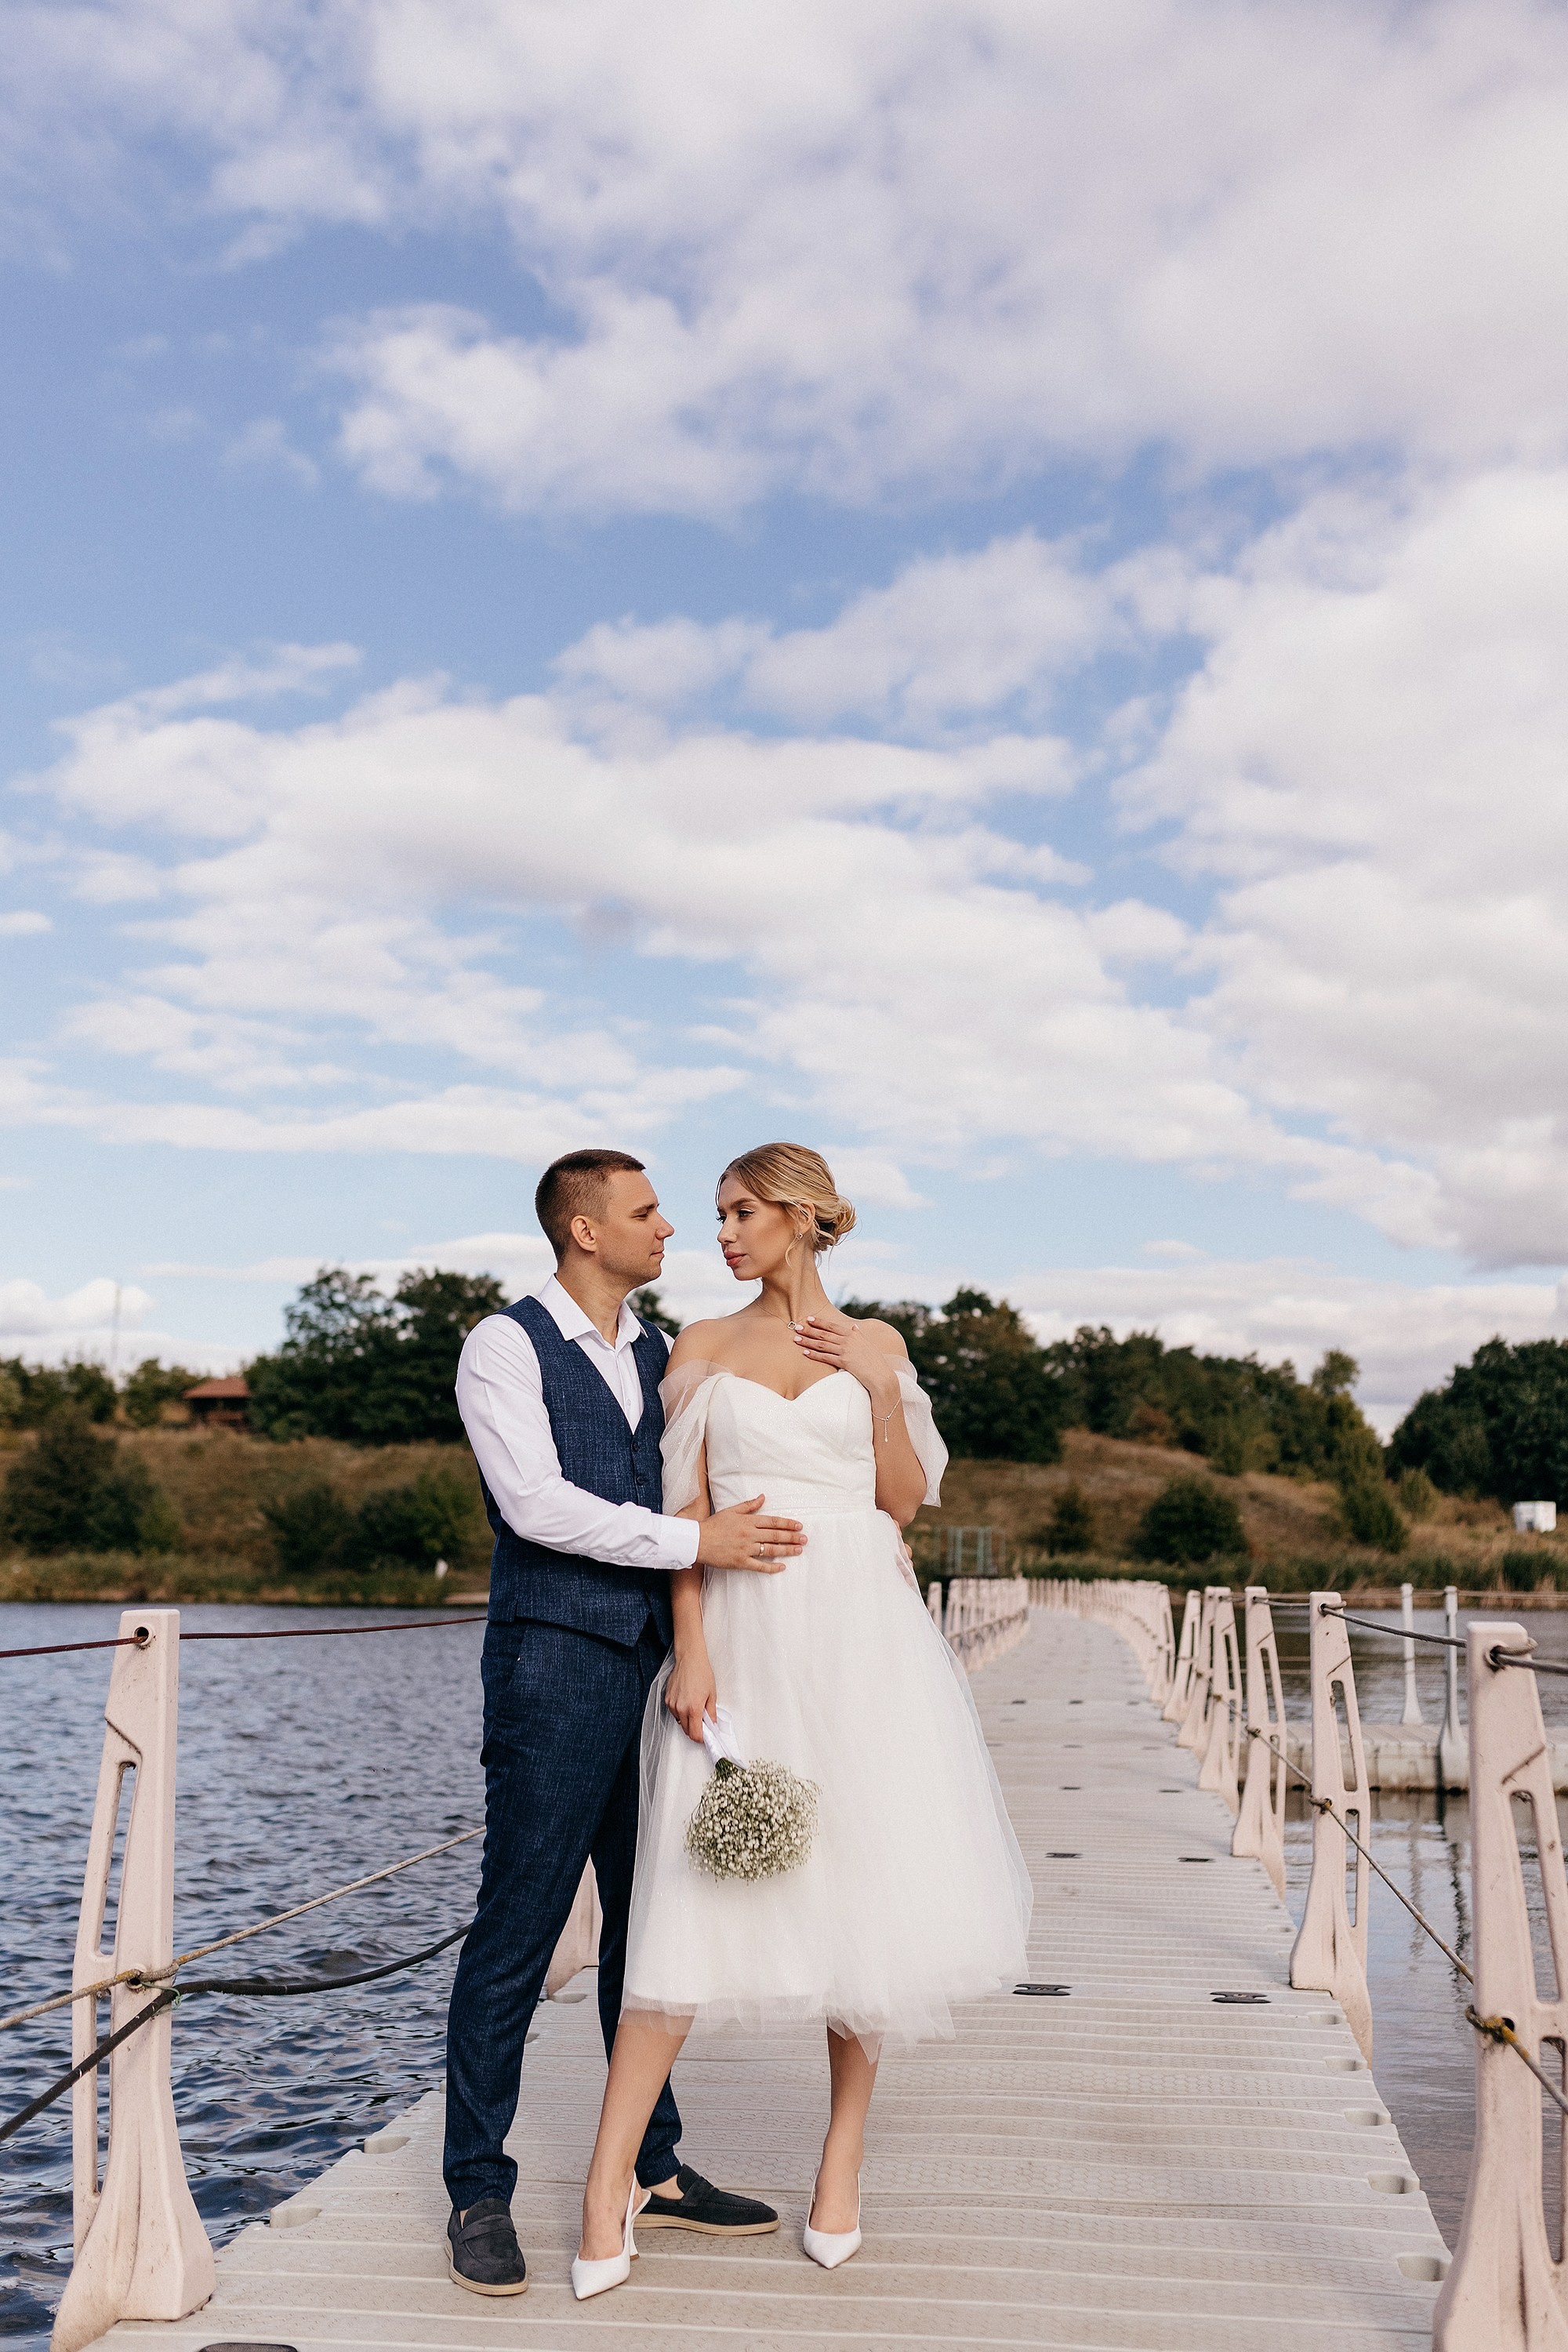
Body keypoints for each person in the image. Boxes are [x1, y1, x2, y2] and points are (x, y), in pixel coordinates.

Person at [570, 1142, 1032, 2300]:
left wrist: (876, 1391)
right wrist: (691, 1649)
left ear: (801, 1218)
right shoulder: (700, 1350)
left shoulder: (876, 1346)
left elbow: (904, 1501)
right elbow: (683, 1510)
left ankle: (840, 2167)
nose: (719, 1233)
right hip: (744, 1639)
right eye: (715, 1215)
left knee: (863, 1893)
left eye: (740, 1212)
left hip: (865, 1638)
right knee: (690, 1896)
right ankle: (605, 2183)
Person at [443, 1146, 806, 2296]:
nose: (669, 1229)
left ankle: (653, 2166)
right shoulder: (504, 1345)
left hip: (656, 1677)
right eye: (648, 1212)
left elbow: (694, 1481)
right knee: (520, 1924)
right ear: (585, 1231)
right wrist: (696, 1542)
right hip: (553, 1668)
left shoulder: (660, 1351)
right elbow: (536, 1507)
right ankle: (476, 2192)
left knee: (653, 1927)